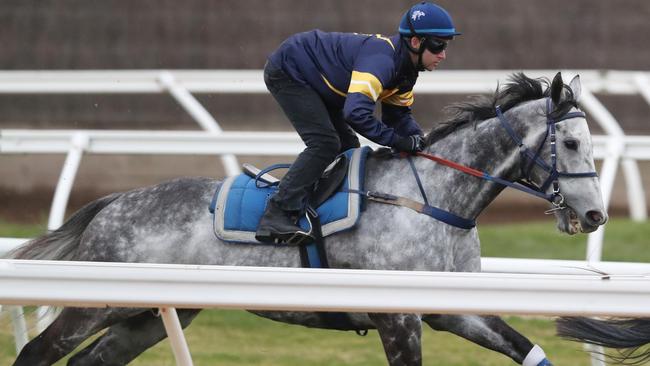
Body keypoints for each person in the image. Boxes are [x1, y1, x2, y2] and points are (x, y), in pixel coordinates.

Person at [255, 2, 461, 244]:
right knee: (325, 144)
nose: (443, 55)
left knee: (348, 147)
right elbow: (356, 114)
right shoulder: (382, 62)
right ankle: (277, 214)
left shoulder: (406, 71)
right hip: (290, 70)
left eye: (446, 46)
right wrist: (398, 141)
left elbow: (398, 117)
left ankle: (316, 208)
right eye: (439, 45)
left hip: (322, 81)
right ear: (415, 42)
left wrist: (422, 144)